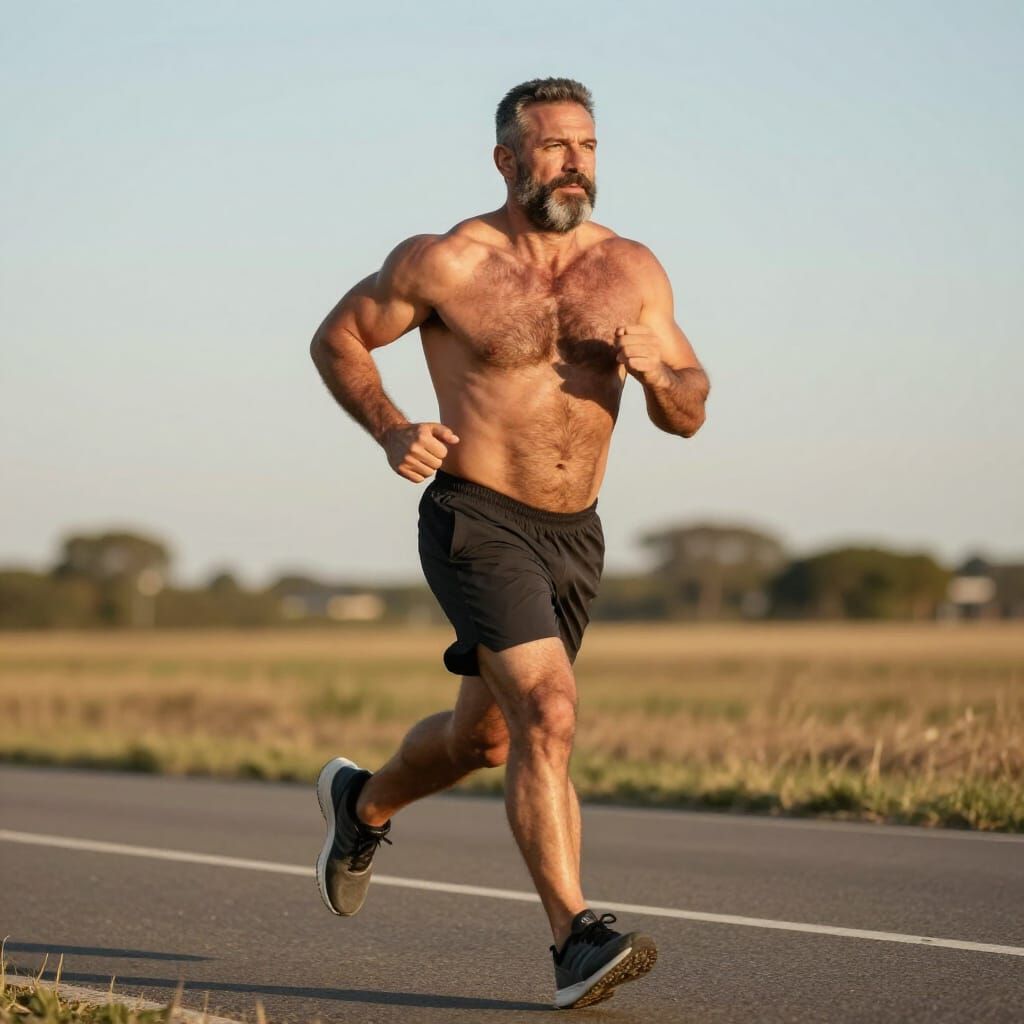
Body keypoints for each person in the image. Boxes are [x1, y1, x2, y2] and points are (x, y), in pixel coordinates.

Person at [309, 76, 709, 1010]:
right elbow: (338, 339)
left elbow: (691, 407)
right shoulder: (446, 262)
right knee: (550, 711)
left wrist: (661, 380)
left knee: (485, 738)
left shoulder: (633, 268)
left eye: (589, 146)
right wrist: (391, 428)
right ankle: (575, 938)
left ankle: (362, 805)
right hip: (476, 517)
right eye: (555, 146)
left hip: (575, 535)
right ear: (506, 159)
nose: (576, 163)